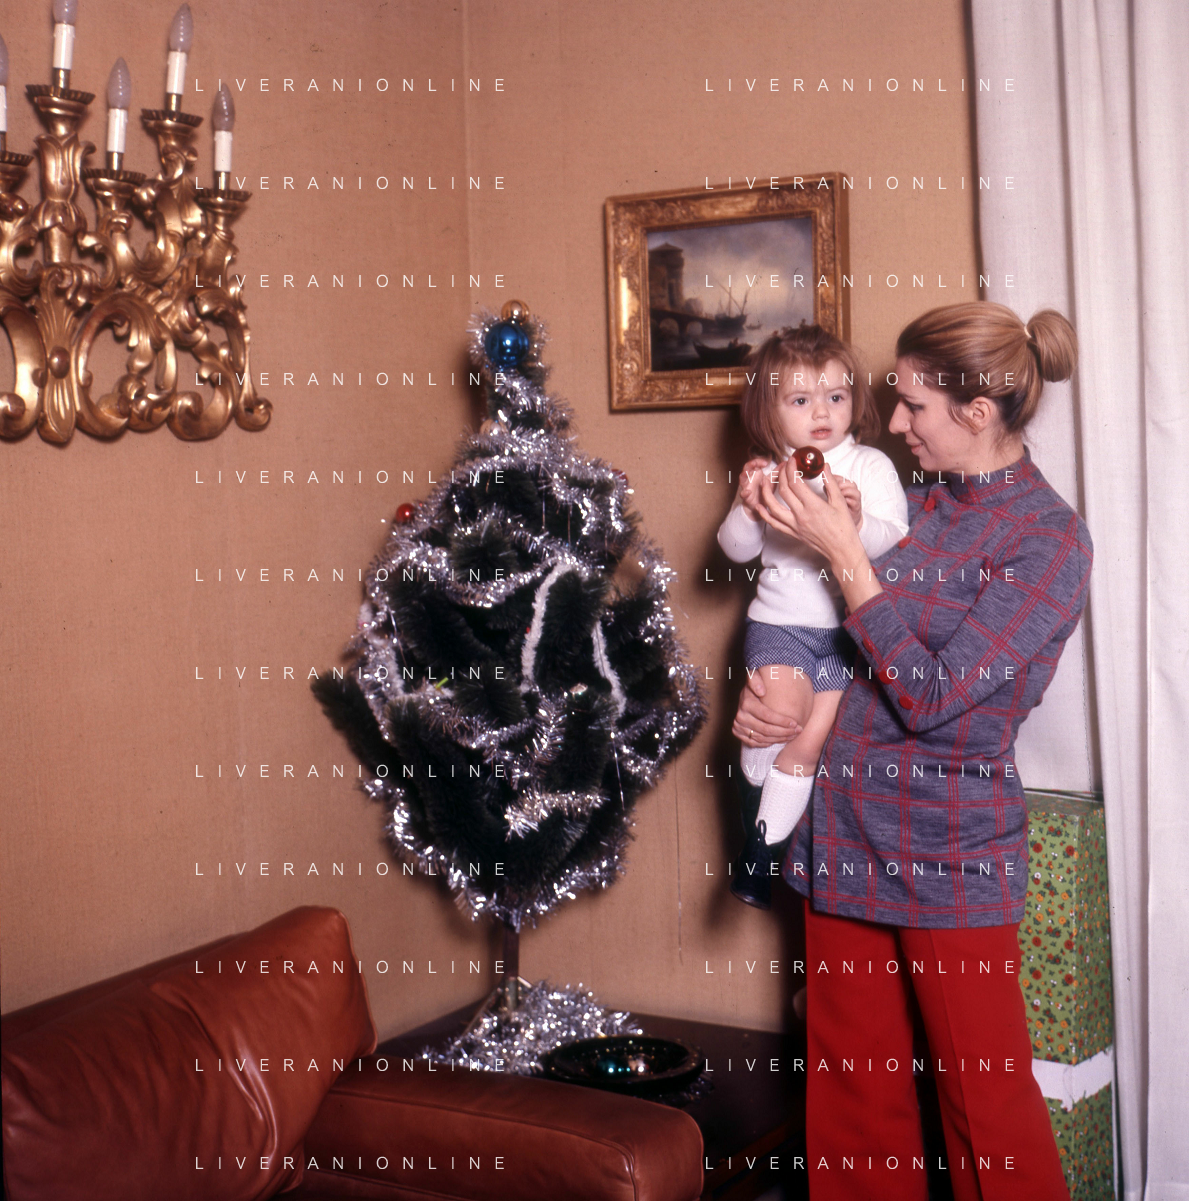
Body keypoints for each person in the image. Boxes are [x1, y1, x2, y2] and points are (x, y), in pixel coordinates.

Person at [734, 302, 1092, 1201]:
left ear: (977, 411)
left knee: (987, 1114)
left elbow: (933, 698)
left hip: (949, 855)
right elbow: (821, 641)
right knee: (853, 1109)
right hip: (843, 836)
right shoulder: (910, 506)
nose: (891, 423)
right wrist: (773, 698)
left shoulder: (1045, 540)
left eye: (913, 405)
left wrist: (845, 556)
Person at [717, 325, 908, 908]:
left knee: (807, 746)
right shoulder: (769, 471)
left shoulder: (870, 465)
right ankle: (755, 802)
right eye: (800, 400)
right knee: (781, 718)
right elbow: (734, 550)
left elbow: (894, 540)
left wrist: (856, 520)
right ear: (769, 410)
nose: (822, 413)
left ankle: (761, 858)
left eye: (836, 396)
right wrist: (748, 508)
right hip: (781, 628)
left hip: (849, 638)